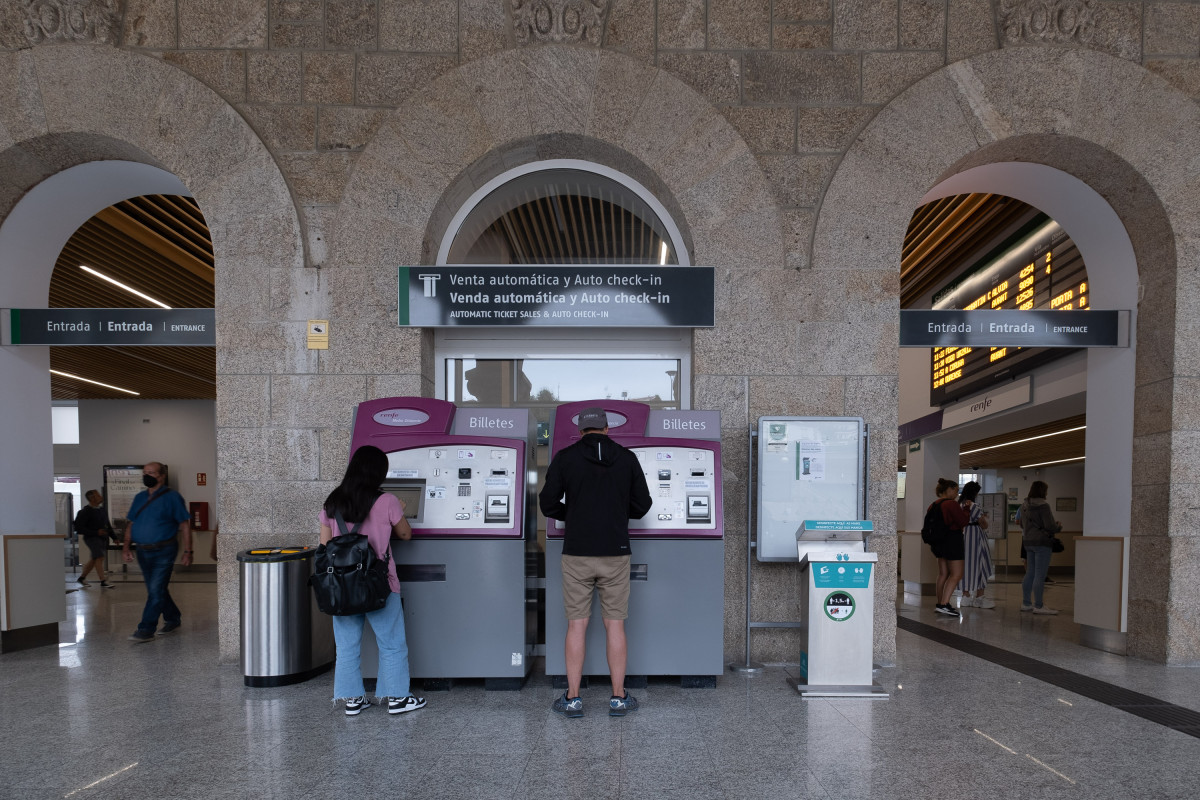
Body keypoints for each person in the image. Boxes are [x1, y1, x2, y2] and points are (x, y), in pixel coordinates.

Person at [539, 407, 652, 718]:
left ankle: (573, 699)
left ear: (580, 431)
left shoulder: (565, 457)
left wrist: (572, 514)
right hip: (616, 551)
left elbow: (547, 503)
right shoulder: (627, 458)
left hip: (577, 552)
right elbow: (643, 505)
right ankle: (618, 697)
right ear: (606, 429)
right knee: (615, 624)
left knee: (577, 624)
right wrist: (615, 512)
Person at [319, 445, 425, 717]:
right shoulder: (386, 500)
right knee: (391, 642)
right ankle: (398, 699)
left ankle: (353, 700)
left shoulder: (332, 502)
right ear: (378, 472)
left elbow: (324, 545)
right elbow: (405, 535)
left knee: (346, 646)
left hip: (341, 585)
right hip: (379, 582)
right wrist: (400, 509)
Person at [123, 463, 192, 642]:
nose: (147, 476)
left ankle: (146, 629)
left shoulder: (172, 497)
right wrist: (126, 547)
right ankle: (173, 617)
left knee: (155, 589)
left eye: (151, 473)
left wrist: (188, 551)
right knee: (156, 589)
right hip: (142, 550)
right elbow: (131, 523)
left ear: (161, 476)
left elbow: (184, 525)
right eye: (145, 473)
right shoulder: (139, 497)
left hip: (164, 550)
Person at [1019, 480, 1062, 615]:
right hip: (1042, 543)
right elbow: (1049, 526)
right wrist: (1058, 526)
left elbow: (1021, 524)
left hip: (1028, 542)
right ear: (1043, 491)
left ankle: (1026, 603)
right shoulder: (1043, 506)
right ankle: (1038, 605)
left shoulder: (1024, 505)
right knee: (1040, 574)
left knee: (1030, 572)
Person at [927, 478, 968, 617]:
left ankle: (940, 603)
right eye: (955, 491)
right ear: (949, 490)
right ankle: (944, 604)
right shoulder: (951, 504)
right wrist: (967, 509)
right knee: (956, 574)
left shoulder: (933, 505)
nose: (956, 494)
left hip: (939, 542)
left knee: (943, 574)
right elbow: (963, 521)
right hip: (953, 540)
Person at [957, 481, 993, 608]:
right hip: (976, 537)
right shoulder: (974, 505)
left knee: (964, 566)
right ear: (974, 493)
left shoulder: (959, 505)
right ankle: (979, 597)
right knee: (981, 564)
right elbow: (983, 524)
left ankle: (965, 596)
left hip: (963, 537)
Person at [74, 489, 115, 589]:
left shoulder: (101, 510)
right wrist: (95, 532)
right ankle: (103, 580)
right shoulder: (85, 512)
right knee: (99, 557)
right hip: (91, 538)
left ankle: (82, 578)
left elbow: (107, 525)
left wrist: (114, 537)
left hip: (102, 538)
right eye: (98, 495)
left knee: (94, 558)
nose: (100, 497)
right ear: (92, 498)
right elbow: (79, 528)